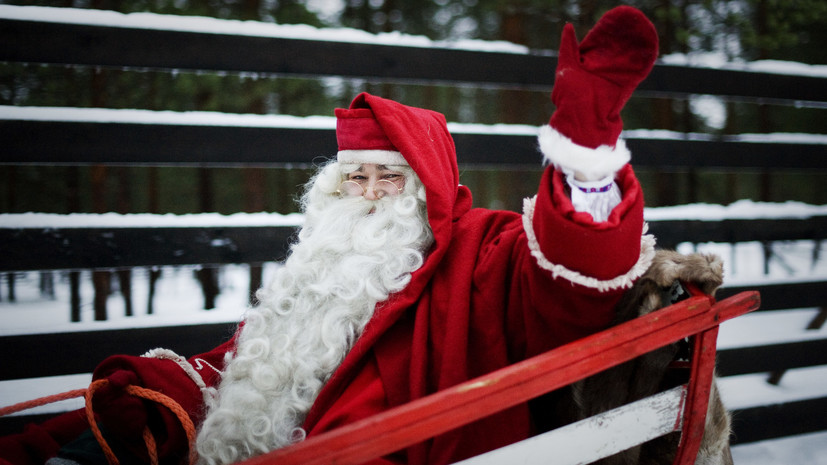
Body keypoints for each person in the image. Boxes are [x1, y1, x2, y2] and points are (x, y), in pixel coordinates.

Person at [1, 6, 660, 465]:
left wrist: (583, 149)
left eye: (388, 178)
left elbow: (575, 280)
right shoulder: (321, 266)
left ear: (424, 184)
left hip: (363, 448)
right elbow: (252, 361)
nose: (368, 195)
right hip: (253, 441)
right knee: (111, 414)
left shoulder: (481, 249)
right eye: (357, 177)